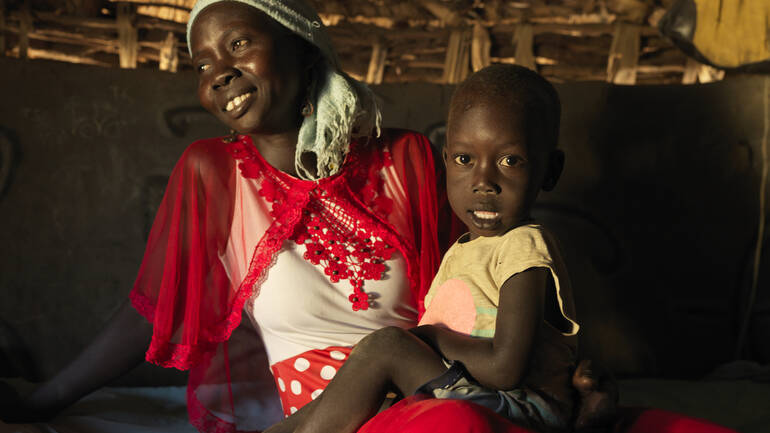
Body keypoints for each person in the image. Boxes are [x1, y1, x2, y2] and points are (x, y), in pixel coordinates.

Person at [270, 64, 608, 433]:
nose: (483, 182)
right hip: (471, 391)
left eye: (510, 161)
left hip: (521, 407)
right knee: (367, 374)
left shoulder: (524, 245)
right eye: (465, 160)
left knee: (385, 347)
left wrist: (427, 339)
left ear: (550, 171)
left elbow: (506, 368)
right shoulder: (461, 252)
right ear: (446, 161)